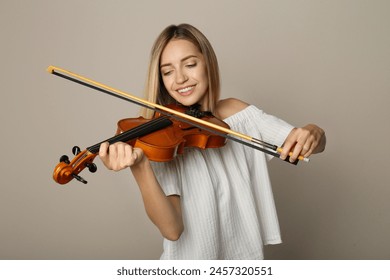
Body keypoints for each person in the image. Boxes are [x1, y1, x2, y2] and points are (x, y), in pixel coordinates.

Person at [99, 23, 326, 259]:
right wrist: (140, 166)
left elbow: (306, 146)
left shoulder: (239, 114)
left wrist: (313, 131)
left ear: (207, 63)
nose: (180, 78)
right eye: (167, 72)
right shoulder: (163, 140)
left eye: (190, 64)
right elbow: (172, 230)